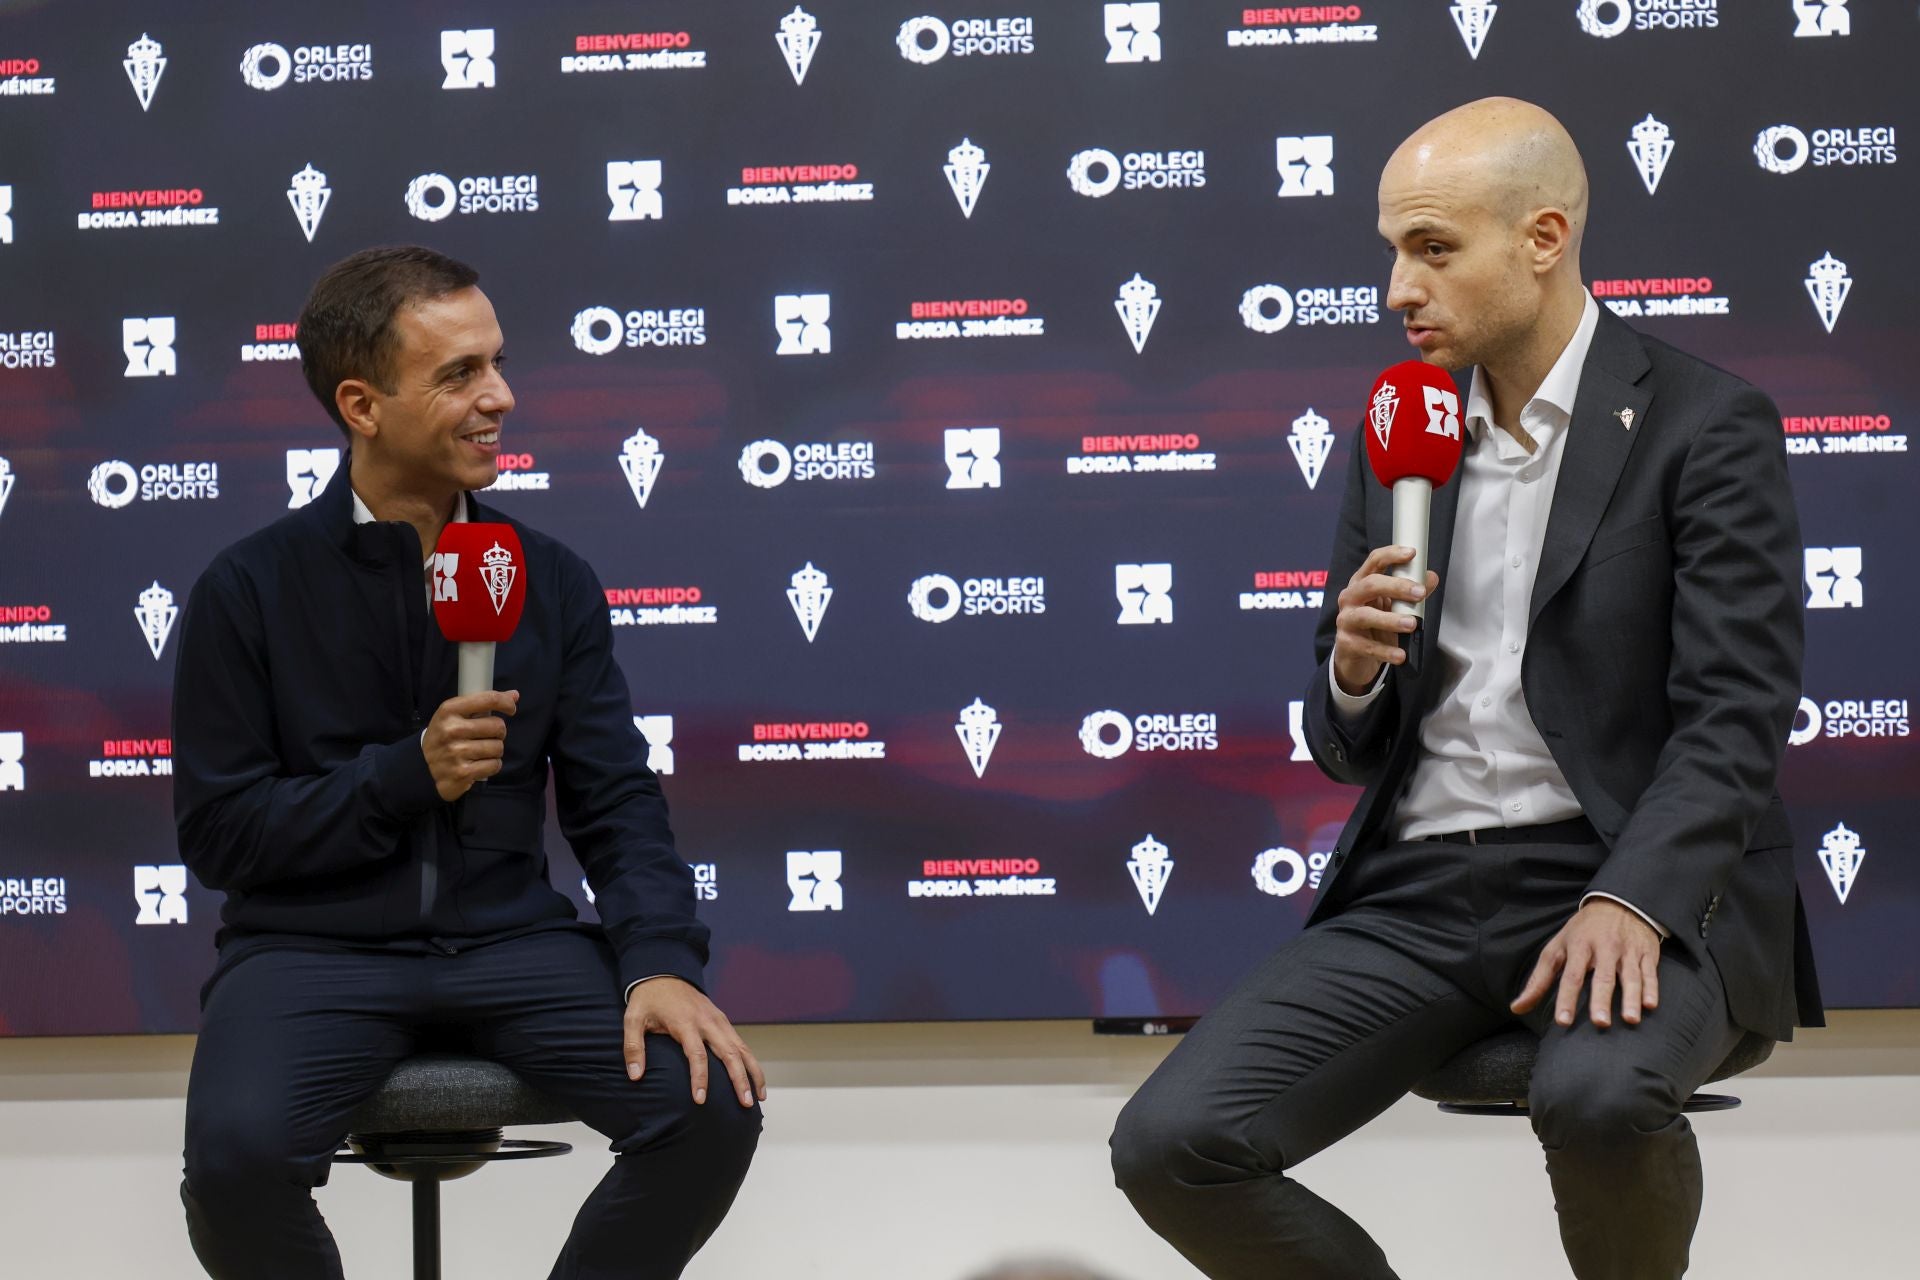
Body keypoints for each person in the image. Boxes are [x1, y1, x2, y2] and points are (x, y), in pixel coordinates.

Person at [1110, 98, 1821, 1279]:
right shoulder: (1399, 428)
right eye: (1392, 250)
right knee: (1171, 1141)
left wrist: (1632, 900)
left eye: (1433, 250)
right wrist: (1347, 675)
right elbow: (1349, 748)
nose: (1398, 288)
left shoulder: (1704, 424)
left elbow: (1735, 715)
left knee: (1593, 1097)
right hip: (1419, 889)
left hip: (1625, 869)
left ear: (1541, 238)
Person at [172, 245, 762, 1279]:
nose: (501, 395)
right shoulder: (248, 588)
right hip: (309, 950)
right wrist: (407, 774)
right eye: (459, 374)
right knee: (234, 1161)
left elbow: (617, 799)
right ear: (361, 403)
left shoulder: (551, 578)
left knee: (708, 1107)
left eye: (495, 362)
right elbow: (224, 832)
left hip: (509, 943)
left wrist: (660, 958)